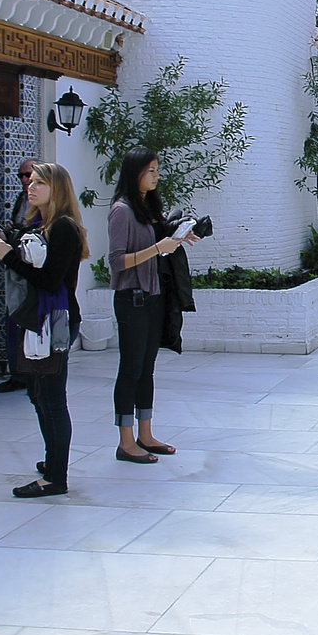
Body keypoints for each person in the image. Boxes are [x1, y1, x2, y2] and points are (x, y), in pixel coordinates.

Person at [0, 162, 86, 497]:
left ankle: (56, 477)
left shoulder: (63, 228)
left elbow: (48, 280)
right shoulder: (40, 223)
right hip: (38, 320)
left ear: (56, 188)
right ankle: (53, 459)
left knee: (52, 399)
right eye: (29, 181)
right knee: (38, 394)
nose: (30, 186)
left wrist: (8, 257)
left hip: (54, 320)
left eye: (40, 182)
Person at [108, 147, 198, 462]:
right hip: (132, 298)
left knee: (147, 369)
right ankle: (125, 441)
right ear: (135, 173)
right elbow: (117, 261)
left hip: (154, 296)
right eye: (151, 170)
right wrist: (157, 247)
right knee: (130, 369)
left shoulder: (148, 207)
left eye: (157, 169)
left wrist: (179, 238)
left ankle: (145, 434)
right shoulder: (121, 210)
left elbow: (159, 245)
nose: (156, 176)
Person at [0, 158, 39, 394]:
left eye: (28, 175)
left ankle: (30, 372)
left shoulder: (45, 207)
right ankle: (18, 373)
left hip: (32, 270)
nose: (24, 180)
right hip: (17, 267)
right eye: (21, 176)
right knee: (14, 320)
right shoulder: (22, 199)